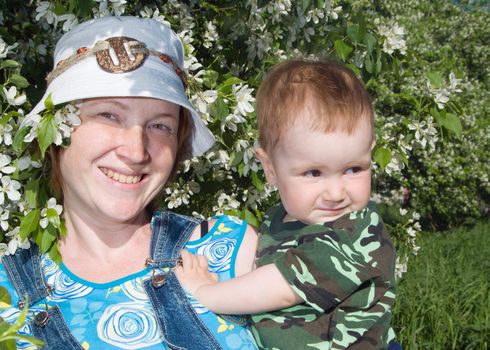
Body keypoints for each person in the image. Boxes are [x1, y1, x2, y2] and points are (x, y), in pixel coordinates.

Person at [0, 16, 259, 349]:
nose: (137, 151)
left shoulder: (226, 251)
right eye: (109, 115)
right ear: (55, 133)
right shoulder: (6, 292)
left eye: (160, 126)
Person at [175, 59, 400, 349]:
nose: (336, 192)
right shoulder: (282, 219)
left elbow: (279, 288)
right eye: (313, 173)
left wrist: (205, 291)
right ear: (270, 168)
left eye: (354, 169)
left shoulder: (355, 233)